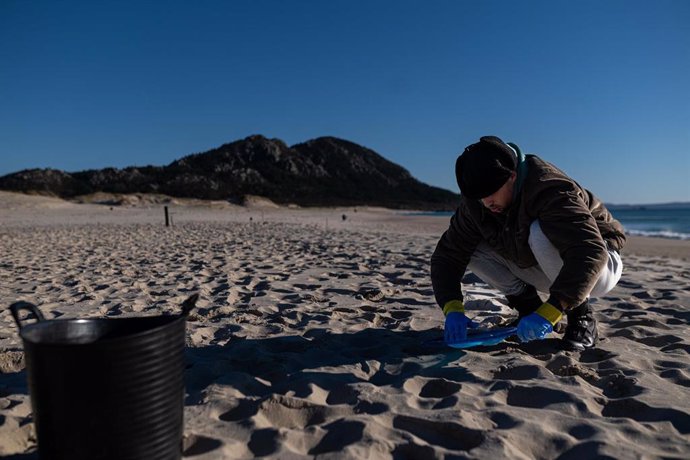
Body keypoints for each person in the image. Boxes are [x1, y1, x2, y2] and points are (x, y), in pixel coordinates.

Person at [430, 136, 626, 350]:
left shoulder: (547, 186)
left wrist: (552, 310)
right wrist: (453, 308)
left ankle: (582, 317)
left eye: (491, 194)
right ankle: (528, 309)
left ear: (512, 176)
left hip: (600, 265)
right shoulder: (477, 203)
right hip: (543, 264)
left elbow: (589, 251)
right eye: (480, 197)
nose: (487, 203)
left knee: (539, 232)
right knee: (471, 247)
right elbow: (447, 256)